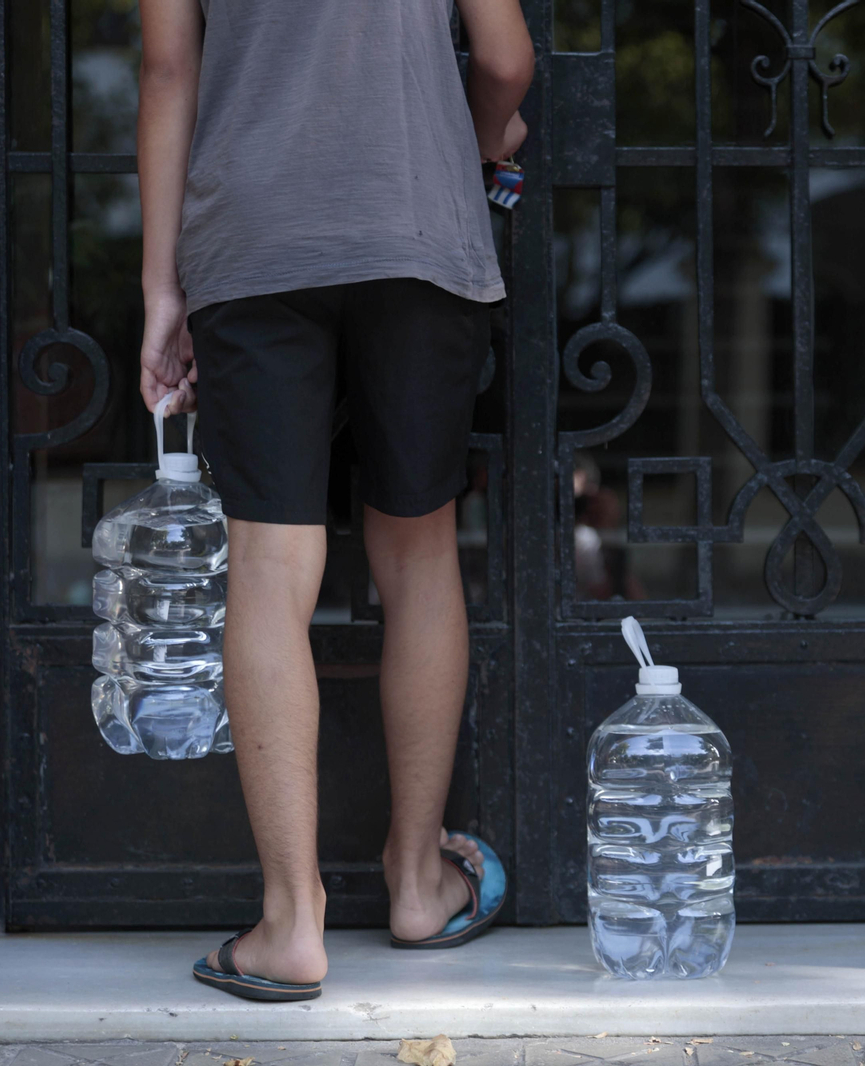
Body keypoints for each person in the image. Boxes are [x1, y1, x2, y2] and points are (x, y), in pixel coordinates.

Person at [135, 0, 533, 1000]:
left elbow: (166, 73)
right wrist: (483, 144)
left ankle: (291, 922)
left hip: (254, 242)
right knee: (419, 549)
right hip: (416, 225)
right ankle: (415, 881)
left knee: (272, 571)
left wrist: (160, 292)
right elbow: (505, 58)